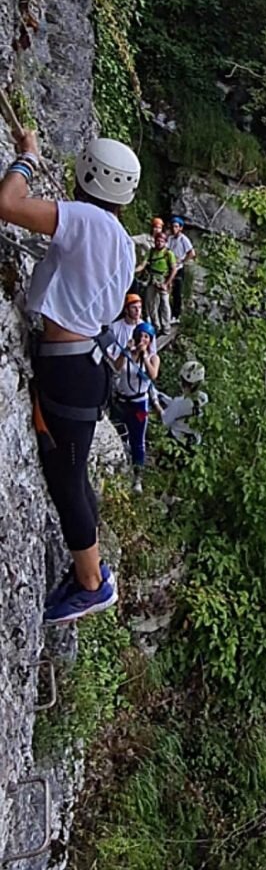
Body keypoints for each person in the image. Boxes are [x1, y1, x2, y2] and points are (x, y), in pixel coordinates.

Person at [0, 130, 139, 624]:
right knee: (71, 473)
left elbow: (8, 204)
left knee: (66, 476)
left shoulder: (80, 220)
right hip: (84, 366)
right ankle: (90, 572)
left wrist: (27, 158)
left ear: (87, 173)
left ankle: (90, 581)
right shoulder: (123, 242)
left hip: (70, 367)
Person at [112, 321, 161, 492]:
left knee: (138, 439)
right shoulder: (128, 354)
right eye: (140, 336)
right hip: (122, 400)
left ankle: (137, 476)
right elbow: (117, 367)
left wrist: (145, 356)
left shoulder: (154, 358)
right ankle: (118, 467)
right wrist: (126, 350)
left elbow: (153, 374)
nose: (143, 339)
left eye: (146, 337)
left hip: (139, 404)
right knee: (117, 431)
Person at [159, 360, 208, 446]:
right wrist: (162, 397)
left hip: (177, 441)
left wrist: (156, 403)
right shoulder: (204, 398)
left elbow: (165, 420)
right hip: (196, 442)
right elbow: (180, 405)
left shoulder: (178, 403)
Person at [137, 231, 176, 336]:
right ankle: (156, 325)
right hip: (152, 279)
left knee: (164, 304)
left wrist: (167, 283)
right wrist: (134, 270)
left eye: (161, 241)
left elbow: (173, 269)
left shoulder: (168, 254)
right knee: (150, 304)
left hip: (163, 280)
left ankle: (166, 326)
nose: (159, 243)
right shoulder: (151, 252)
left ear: (165, 242)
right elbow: (143, 264)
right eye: (157, 240)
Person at [167, 215, 195, 323]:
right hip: (170, 266)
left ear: (180, 228)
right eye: (173, 226)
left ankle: (176, 315)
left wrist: (182, 260)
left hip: (178, 268)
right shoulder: (170, 238)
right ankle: (168, 313)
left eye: (176, 227)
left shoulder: (184, 239)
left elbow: (192, 253)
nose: (174, 229)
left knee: (177, 291)